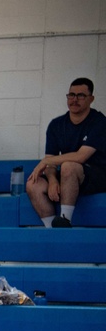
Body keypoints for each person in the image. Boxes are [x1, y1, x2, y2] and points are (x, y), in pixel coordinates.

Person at [26, 77, 106, 228]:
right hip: (68, 177)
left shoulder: (100, 122)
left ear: (91, 99)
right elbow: (50, 160)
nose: (74, 100)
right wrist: (53, 180)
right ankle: (53, 230)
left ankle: (65, 220)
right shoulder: (56, 124)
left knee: (69, 165)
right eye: (71, 95)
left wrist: (45, 162)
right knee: (33, 183)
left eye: (81, 95)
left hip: (96, 177)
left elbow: (80, 157)